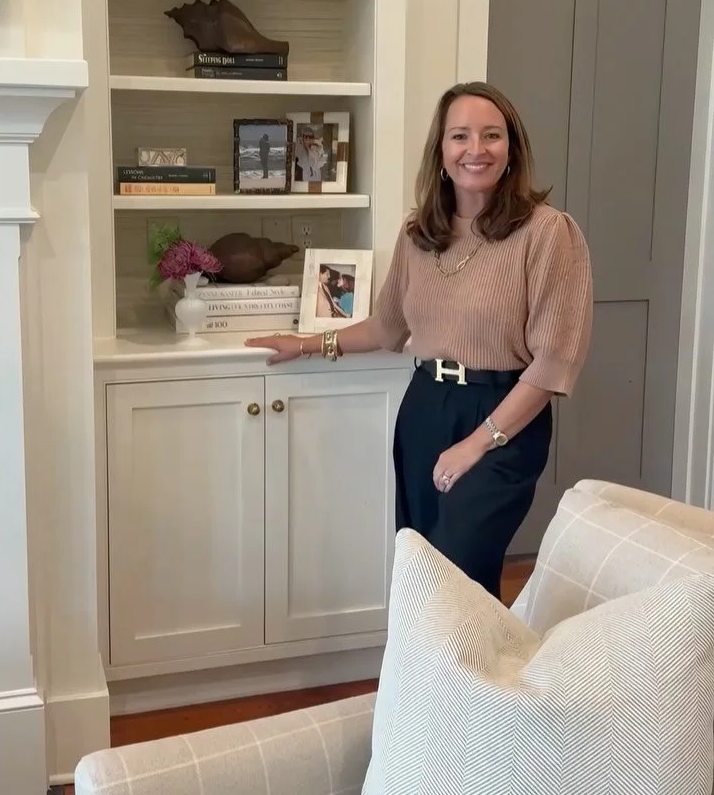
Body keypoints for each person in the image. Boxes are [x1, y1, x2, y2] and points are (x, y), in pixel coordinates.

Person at [245, 81, 593, 600]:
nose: (476, 149)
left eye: (491, 136)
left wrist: (477, 444)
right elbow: (387, 327)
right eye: (460, 136)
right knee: (425, 574)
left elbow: (554, 362)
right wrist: (307, 344)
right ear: (442, 153)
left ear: (512, 150)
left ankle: (470, 678)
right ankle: (439, 680)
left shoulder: (548, 233)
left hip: (501, 414)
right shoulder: (418, 234)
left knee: (462, 574)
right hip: (426, 408)